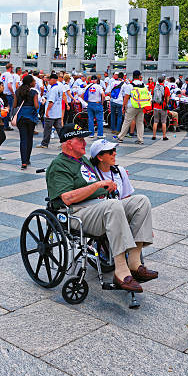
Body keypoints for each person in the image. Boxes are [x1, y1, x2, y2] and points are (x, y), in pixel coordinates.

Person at [46, 124, 158, 293]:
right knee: (112, 206)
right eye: (80, 139)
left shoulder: (82, 160)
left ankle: (135, 264)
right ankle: (121, 271)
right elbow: (67, 198)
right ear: (68, 143)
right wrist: (98, 185)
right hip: (77, 212)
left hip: (98, 206)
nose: (85, 143)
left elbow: (99, 173)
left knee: (141, 202)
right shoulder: (59, 165)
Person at [116, 71, 150, 145]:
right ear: (139, 76)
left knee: (127, 121)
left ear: (133, 76)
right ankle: (140, 139)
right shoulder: (144, 85)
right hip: (141, 105)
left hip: (132, 105)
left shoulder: (130, 86)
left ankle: (121, 137)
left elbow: (126, 97)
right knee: (140, 123)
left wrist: (124, 106)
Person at [15, 74, 39, 169]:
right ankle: (27, 159)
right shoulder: (34, 92)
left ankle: (23, 161)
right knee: (29, 139)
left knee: (23, 139)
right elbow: (36, 106)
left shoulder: (18, 91)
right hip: (30, 117)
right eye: (33, 81)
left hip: (21, 117)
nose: (35, 82)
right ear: (30, 83)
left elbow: (14, 105)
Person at [38, 73, 63, 148]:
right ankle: (64, 142)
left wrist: (47, 111)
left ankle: (44, 144)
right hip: (57, 112)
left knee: (47, 129)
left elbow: (51, 101)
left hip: (51, 113)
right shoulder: (59, 87)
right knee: (59, 129)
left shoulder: (53, 89)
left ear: (54, 80)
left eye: (50, 79)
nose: (49, 81)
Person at [151, 76, 170, 141]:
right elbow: (167, 98)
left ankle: (154, 136)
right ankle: (164, 136)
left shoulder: (154, 87)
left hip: (155, 107)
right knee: (163, 122)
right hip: (163, 106)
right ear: (163, 81)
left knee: (155, 121)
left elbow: (152, 95)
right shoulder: (166, 88)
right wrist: (166, 104)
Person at [1, 63, 15, 131]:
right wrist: (13, 93)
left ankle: (2, 124)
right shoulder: (9, 75)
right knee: (7, 110)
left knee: (3, 109)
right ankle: (6, 125)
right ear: (11, 68)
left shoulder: (2, 74)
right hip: (8, 94)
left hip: (2, 94)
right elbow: (9, 85)